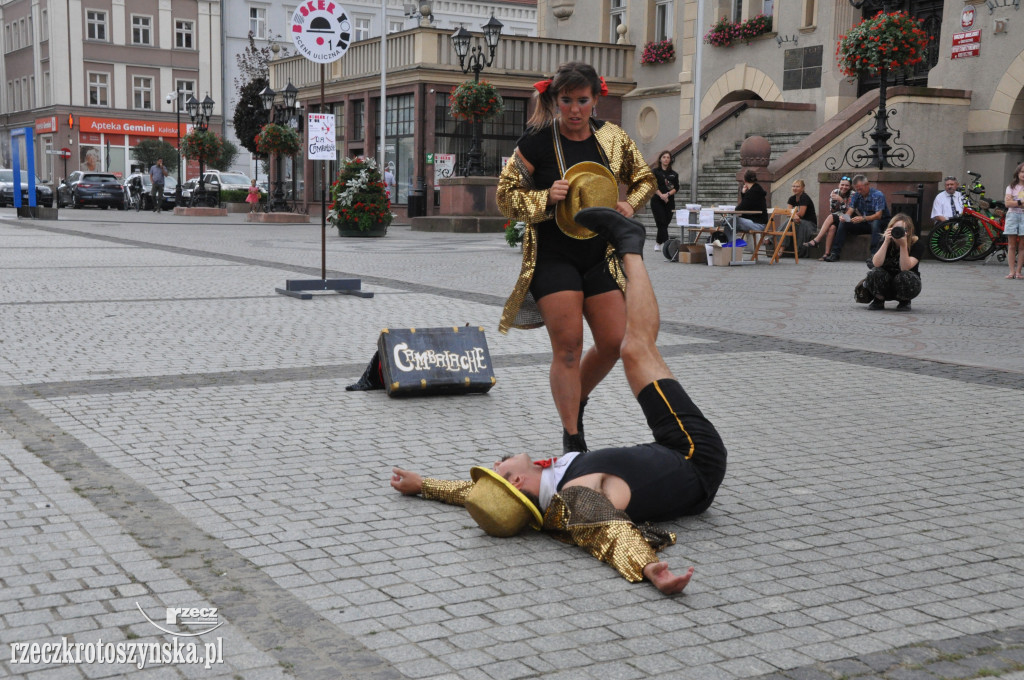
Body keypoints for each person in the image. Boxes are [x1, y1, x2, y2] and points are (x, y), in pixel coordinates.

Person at [390, 208, 726, 595]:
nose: (496, 462)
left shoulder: (541, 496)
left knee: (631, 348)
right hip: (692, 453)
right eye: (498, 467)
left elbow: (475, 494)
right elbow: (610, 535)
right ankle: (631, 245)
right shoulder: (576, 499)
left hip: (669, 449)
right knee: (635, 349)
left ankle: (629, 244)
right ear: (516, 480)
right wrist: (653, 571)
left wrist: (424, 485)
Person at [496, 61, 655, 454]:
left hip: (600, 255)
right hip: (553, 257)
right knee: (567, 347)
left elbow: (646, 179)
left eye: (582, 101)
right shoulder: (535, 141)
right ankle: (573, 439)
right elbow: (505, 196)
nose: (574, 110)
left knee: (614, 341)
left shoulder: (613, 138)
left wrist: (629, 205)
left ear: (596, 99)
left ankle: (576, 398)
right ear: (554, 100)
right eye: (565, 100)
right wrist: (542, 197)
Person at [862, 213, 923, 311]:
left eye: (903, 230)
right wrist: (886, 242)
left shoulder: (916, 244)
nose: (898, 232)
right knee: (875, 272)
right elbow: (876, 264)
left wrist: (903, 246)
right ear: (889, 228)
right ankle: (879, 300)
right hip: (885, 284)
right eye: (895, 228)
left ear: (909, 231)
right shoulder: (885, 240)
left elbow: (905, 268)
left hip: (904, 286)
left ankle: (904, 301)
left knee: (907, 276)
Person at [823, 174, 889, 262]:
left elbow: (878, 215)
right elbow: (850, 210)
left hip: (880, 224)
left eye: (860, 188)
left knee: (875, 222)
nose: (859, 191)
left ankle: (874, 255)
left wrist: (863, 218)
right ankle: (835, 253)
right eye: (856, 189)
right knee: (844, 222)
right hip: (865, 223)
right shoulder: (857, 195)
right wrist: (844, 218)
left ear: (867, 184)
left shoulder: (878, 195)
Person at [804, 176, 852, 259]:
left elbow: (848, 212)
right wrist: (835, 202)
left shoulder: (853, 194)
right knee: (832, 228)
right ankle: (826, 254)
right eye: (842, 185)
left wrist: (841, 201)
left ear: (850, 186)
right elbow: (833, 210)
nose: (844, 187)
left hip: (850, 218)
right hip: (838, 217)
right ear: (839, 185)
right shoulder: (834, 192)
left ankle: (816, 240)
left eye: (847, 185)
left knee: (830, 217)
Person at [726, 169, 768, 240]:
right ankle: (730, 246)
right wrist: (744, 193)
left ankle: (729, 246)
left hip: (758, 224)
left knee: (731, 221)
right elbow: (747, 205)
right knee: (730, 221)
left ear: (744, 180)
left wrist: (744, 194)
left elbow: (740, 208)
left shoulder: (752, 192)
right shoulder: (756, 189)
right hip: (757, 222)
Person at [650, 151, 678, 253]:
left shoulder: (674, 174)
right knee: (661, 222)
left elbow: (676, 188)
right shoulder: (655, 172)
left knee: (665, 223)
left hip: (669, 201)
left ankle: (658, 242)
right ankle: (668, 245)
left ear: (670, 160)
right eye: (664, 157)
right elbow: (652, 185)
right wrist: (661, 195)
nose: (666, 159)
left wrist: (667, 195)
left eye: (668, 157)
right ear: (660, 159)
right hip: (657, 201)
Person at [785, 179, 817, 256]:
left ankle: (773, 241)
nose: (795, 188)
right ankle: (781, 248)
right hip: (797, 221)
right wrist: (794, 215)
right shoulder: (791, 198)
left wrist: (794, 215)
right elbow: (788, 213)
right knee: (789, 222)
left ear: (802, 188)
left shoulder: (804, 197)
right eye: (793, 186)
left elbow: (801, 214)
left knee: (789, 222)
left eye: (797, 186)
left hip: (809, 224)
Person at [1004, 162, 1024, 280]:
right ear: (1018, 173)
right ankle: (1011, 271)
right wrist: (1021, 202)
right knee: (1011, 245)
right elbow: (1007, 204)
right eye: (1022, 172)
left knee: (1022, 246)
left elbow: (1012, 202)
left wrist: (1014, 202)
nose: (1023, 174)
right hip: (1012, 215)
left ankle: (1018, 271)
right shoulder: (1011, 187)